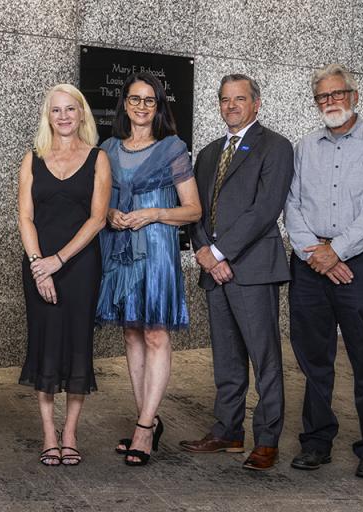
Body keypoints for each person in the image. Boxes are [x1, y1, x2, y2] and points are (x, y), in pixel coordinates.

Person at [284, 63, 363, 480]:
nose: (329, 102)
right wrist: (317, 253)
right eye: (322, 97)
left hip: (360, 264)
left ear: (354, 96)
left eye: (336, 94)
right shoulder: (303, 148)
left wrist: (339, 252)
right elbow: (291, 204)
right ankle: (316, 442)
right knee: (314, 359)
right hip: (310, 264)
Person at [181, 74, 294, 471]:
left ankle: (267, 438)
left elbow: (265, 209)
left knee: (264, 358)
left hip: (252, 269)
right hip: (215, 269)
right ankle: (227, 430)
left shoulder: (276, 147)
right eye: (225, 99)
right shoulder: (209, 153)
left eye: (240, 99)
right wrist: (203, 251)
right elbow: (194, 210)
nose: (231, 105)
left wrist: (219, 250)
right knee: (226, 357)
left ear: (256, 104)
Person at [96, 72, 201, 466]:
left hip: (156, 252)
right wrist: (110, 214)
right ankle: (149, 420)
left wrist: (152, 213)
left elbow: (193, 209)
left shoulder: (172, 148)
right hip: (119, 251)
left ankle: (142, 428)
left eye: (149, 101)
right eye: (135, 99)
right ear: (124, 104)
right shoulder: (106, 149)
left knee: (156, 334)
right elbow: (96, 203)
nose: (141, 107)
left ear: (159, 108)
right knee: (131, 333)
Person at [18, 84, 111, 467]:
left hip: (79, 265)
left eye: (70, 109)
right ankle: (47, 434)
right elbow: (24, 216)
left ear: (82, 113)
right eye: (56, 110)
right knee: (44, 343)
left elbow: (98, 218)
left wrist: (59, 260)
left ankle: (69, 433)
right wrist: (40, 262)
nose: (63, 116)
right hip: (38, 262)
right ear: (48, 116)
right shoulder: (32, 158)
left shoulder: (98, 158)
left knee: (76, 346)